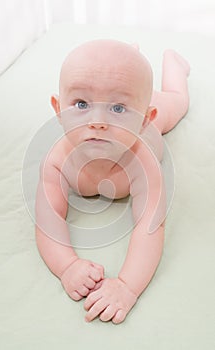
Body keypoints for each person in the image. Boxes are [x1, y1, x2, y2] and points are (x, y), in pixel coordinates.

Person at [35, 39, 190, 324]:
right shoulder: (57, 161)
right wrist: (67, 266)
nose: (97, 121)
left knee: (178, 101)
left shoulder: (144, 162)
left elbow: (150, 226)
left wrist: (127, 286)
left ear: (145, 119)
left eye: (118, 109)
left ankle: (174, 63)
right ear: (58, 110)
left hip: (151, 118)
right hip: (128, 96)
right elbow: (48, 219)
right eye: (81, 104)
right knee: (115, 77)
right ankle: (129, 61)